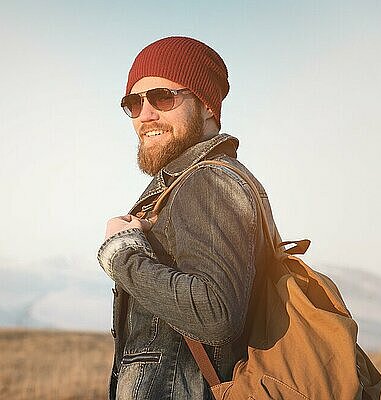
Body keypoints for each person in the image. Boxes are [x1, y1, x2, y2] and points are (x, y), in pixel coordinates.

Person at [97, 36, 282, 399]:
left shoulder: (208, 181)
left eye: (163, 97)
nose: (146, 114)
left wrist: (122, 257)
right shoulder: (189, 186)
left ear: (208, 106)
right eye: (134, 103)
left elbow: (216, 315)